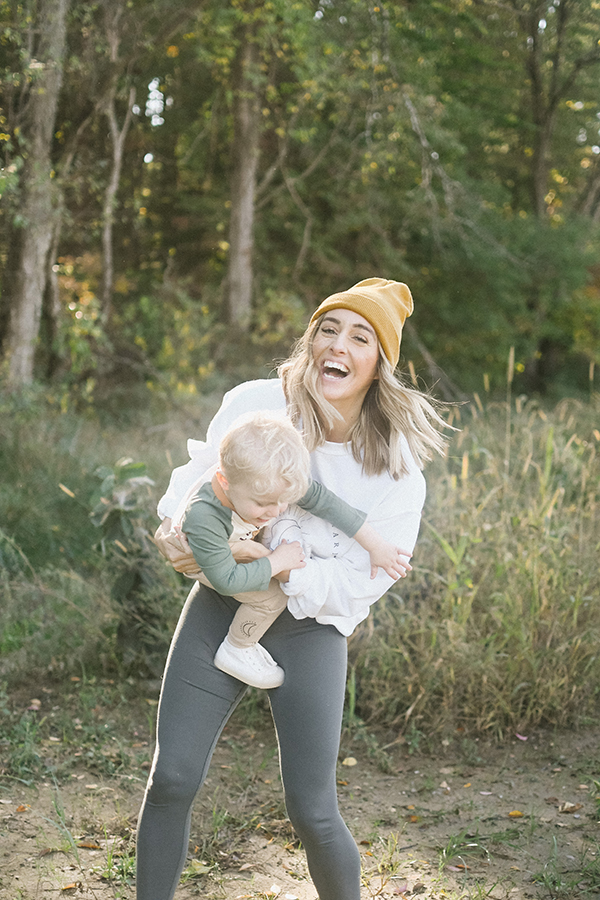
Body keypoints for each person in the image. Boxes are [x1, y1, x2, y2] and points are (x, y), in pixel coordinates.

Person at [137, 277, 448, 900]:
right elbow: (203, 474)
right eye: (328, 329)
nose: (339, 344)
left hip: (312, 633)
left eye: (360, 337)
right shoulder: (258, 402)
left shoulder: (394, 470)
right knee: (171, 776)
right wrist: (177, 523)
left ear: (378, 364)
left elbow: (356, 589)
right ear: (311, 341)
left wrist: (281, 564)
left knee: (311, 810)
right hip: (221, 607)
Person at [163, 413, 412, 690]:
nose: (276, 511)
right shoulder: (204, 517)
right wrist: (275, 562)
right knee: (272, 597)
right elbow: (226, 579)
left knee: (257, 542)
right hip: (205, 559)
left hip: (230, 543)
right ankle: (237, 647)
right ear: (224, 481)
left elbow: (324, 502)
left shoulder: (269, 483)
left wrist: (375, 544)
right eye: (263, 504)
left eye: (284, 502)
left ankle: (244, 550)